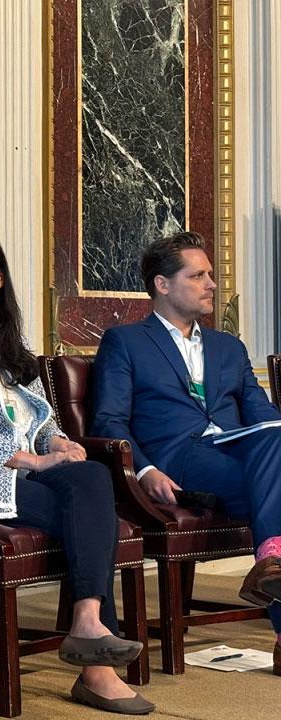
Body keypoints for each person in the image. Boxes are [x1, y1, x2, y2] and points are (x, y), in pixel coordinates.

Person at [0, 228, 155, 715]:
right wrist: (28, 458)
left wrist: (58, 442)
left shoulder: (12, 347)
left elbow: (40, 421)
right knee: (89, 512)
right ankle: (96, 666)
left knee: (90, 478)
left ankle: (87, 621)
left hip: (29, 477)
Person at [91, 231, 281, 676]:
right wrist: (145, 469)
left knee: (275, 443)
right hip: (180, 462)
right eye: (198, 276)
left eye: (210, 275)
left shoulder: (228, 347)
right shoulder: (126, 342)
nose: (212, 284)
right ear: (163, 284)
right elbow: (109, 423)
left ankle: (275, 574)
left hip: (242, 458)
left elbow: (264, 417)